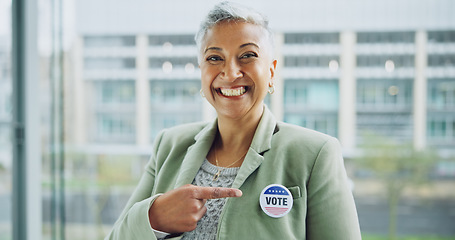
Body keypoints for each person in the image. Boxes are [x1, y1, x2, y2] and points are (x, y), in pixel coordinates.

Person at [106, 2, 361, 239]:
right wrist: (154, 218)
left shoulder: (315, 154)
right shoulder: (169, 144)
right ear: (201, 72)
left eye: (247, 55)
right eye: (214, 58)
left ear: (271, 71)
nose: (230, 73)